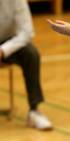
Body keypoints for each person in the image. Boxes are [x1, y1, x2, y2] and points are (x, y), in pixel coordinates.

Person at [0, 0, 52, 130]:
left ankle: (34, 111)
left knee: (31, 54)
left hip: (7, 43)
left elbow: (27, 32)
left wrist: (3, 50)